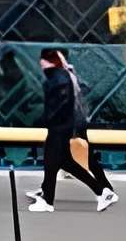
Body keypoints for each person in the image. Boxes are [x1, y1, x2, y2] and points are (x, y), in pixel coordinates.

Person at [28, 46, 117, 213]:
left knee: (52, 161)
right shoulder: (60, 76)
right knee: (64, 162)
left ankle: (48, 201)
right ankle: (102, 191)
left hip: (60, 127)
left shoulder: (59, 77)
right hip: (61, 126)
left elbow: (61, 104)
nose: (40, 62)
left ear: (50, 61)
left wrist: (45, 120)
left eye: (43, 59)